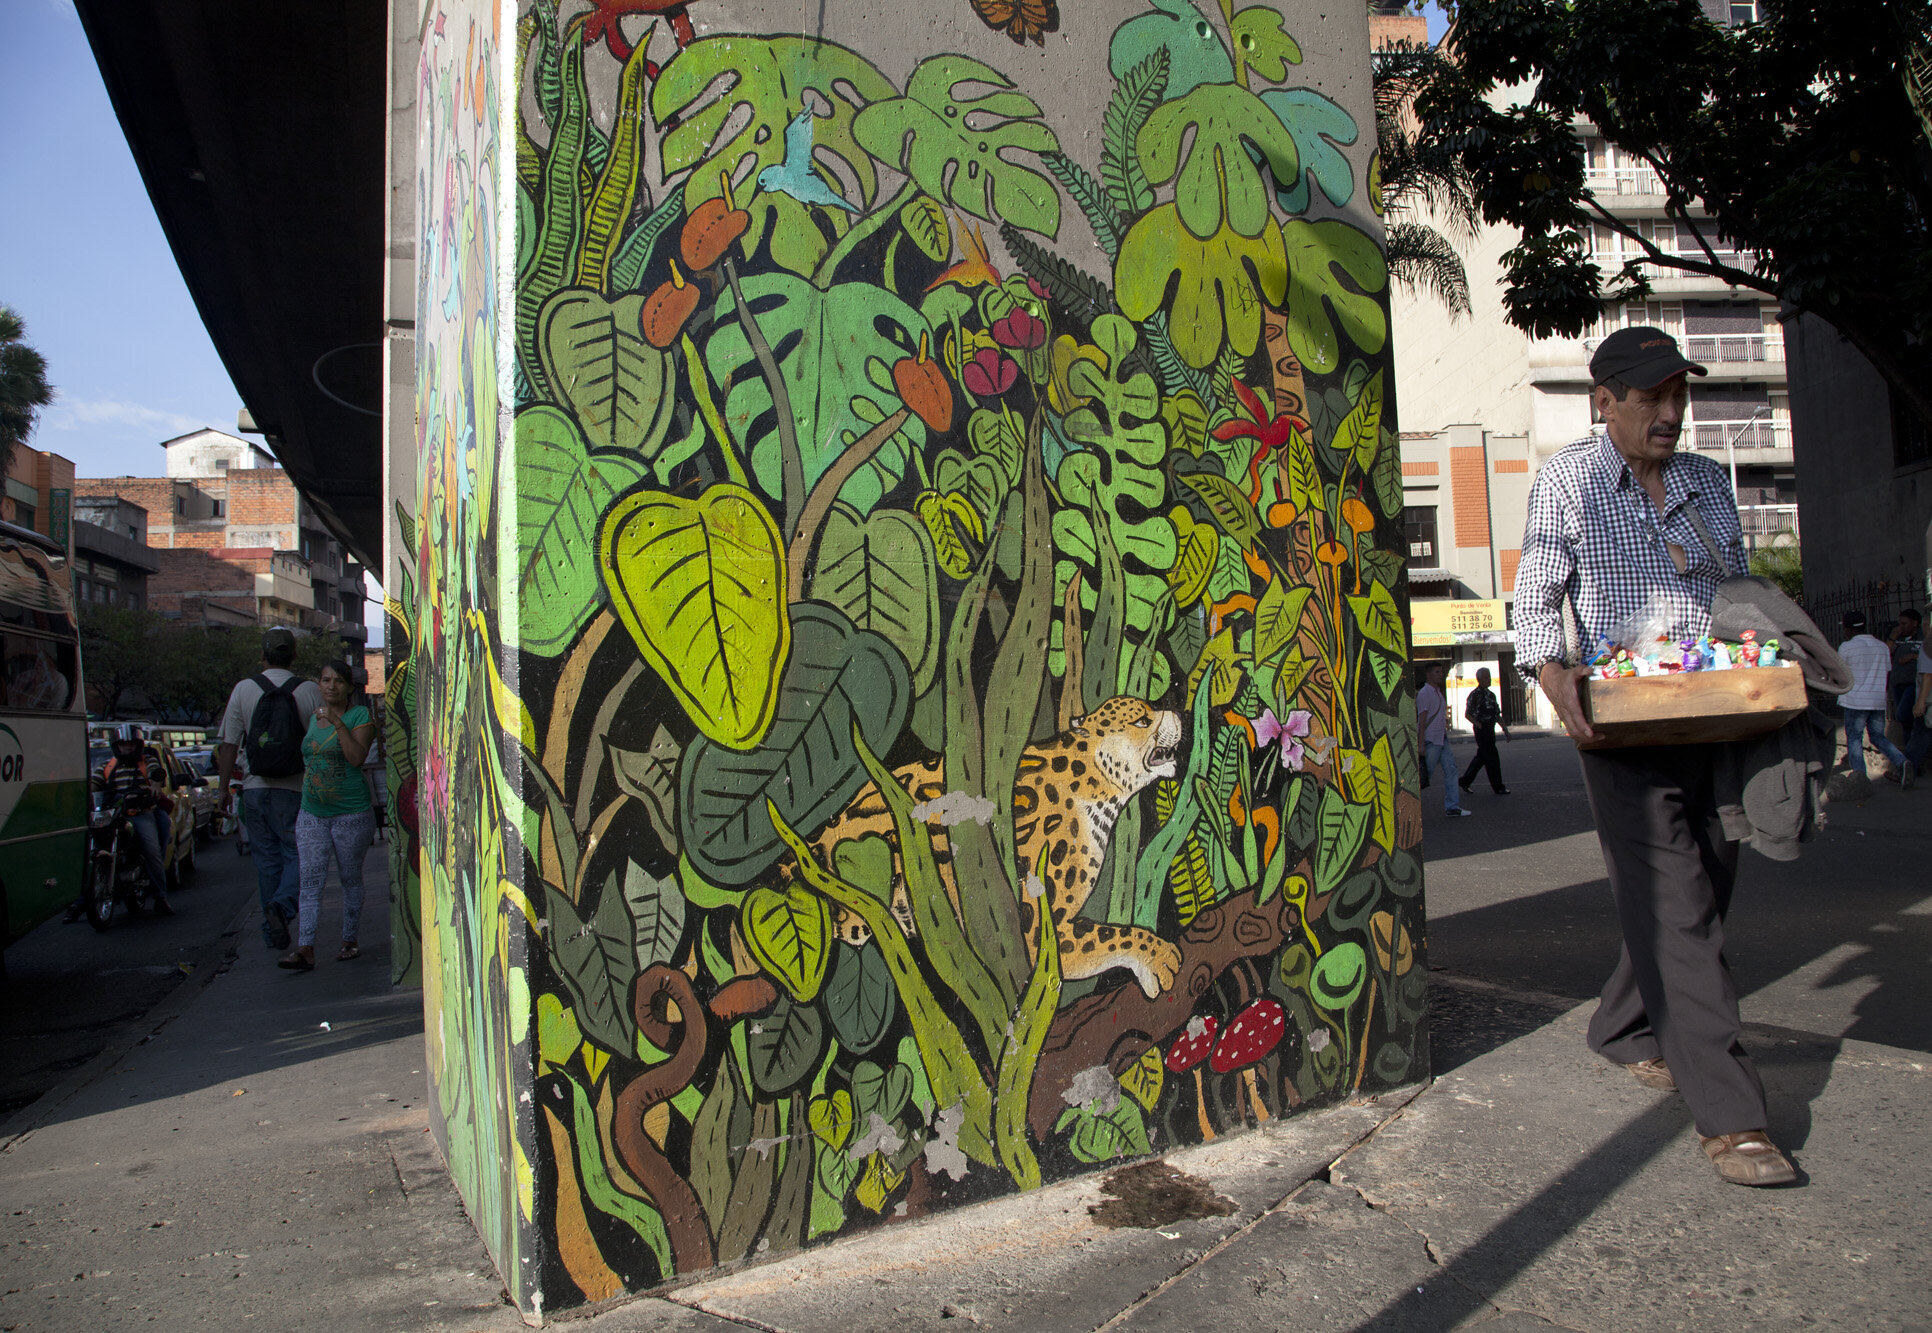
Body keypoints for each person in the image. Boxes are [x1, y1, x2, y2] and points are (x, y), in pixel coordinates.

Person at [1514, 326, 1795, 1187]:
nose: (1670, 412)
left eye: (1679, 394)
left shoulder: (1707, 480)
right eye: (1651, 397)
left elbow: (1736, 588)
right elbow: (1536, 592)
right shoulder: (1568, 480)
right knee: (1678, 906)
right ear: (1605, 402)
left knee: (1706, 881)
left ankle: (1623, 1024)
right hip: (1622, 724)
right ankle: (1733, 1115)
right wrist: (1551, 671)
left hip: (1715, 716)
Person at [216, 628, 323, 951]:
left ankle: (270, 929)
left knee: (266, 861)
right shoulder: (309, 690)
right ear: (294, 655)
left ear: (262, 656)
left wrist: (222, 790)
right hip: (295, 789)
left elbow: (229, 745)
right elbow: (321, 742)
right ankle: (282, 907)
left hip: (254, 789)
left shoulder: (244, 689)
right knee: (299, 854)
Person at [279, 662, 377, 971]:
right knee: (310, 880)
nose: (331, 686)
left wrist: (336, 722)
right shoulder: (312, 718)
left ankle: (349, 941)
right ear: (319, 684)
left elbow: (356, 757)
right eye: (325, 680)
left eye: (338, 681)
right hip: (312, 811)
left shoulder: (360, 716)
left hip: (351, 813)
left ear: (349, 687)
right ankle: (305, 948)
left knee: (350, 877)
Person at [95, 729, 175, 916]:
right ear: (116, 746)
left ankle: (160, 897)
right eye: (123, 744)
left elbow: (157, 774)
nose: (128, 748)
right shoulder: (107, 766)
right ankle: (82, 900)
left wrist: (155, 784)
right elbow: (94, 784)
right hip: (113, 816)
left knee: (152, 851)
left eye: (131, 744)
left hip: (141, 813)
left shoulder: (148, 761)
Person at [1838, 612, 1911, 786]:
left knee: (1854, 738)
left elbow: (1840, 673)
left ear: (1848, 630)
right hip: (1877, 700)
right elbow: (1887, 671)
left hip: (1855, 701)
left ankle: (1860, 777)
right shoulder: (1882, 647)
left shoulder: (1846, 647)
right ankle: (1901, 761)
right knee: (1877, 736)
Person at [1416, 662, 1470, 817]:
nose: (1440, 675)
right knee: (1424, 775)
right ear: (1428, 674)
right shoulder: (1425, 693)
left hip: (1441, 738)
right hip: (1431, 740)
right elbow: (1422, 719)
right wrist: (1421, 744)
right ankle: (1407, 804)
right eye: (1437, 672)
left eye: (1441, 672)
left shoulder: (1438, 692)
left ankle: (1452, 806)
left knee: (1451, 770)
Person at [1459, 666, 1512, 795]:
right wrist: (1479, 725)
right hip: (1481, 730)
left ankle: (1465, 781)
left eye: (1489, 677)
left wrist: (1505, 730)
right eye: (1486, 677)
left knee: (1482, 757)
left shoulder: (1491, 695)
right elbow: (1468, 714)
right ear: (1479, 679)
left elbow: (1497, 714)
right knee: (1492, 758)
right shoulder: (1475, 695)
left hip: (1490, 729)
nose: (1489, 679)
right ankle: (1498, 787)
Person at [1889, 608, 1922, 738]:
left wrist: (1913, 656)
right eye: (1899, 624)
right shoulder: (1898, 638)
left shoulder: (1923, 636)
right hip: (1898, 682)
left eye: (1904, 623)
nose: (1901, 627)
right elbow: (1885, 653)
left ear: (1915, 623)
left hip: (1913, 682)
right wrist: (1892, 637)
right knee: (1904, 721)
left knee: (1903, 714)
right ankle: (1909, 746)